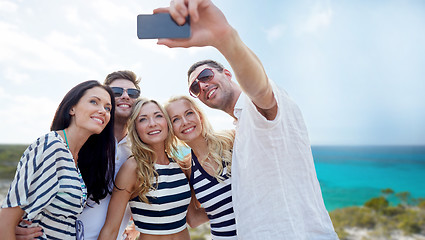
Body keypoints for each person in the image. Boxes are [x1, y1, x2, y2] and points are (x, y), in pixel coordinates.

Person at [155, 0, 339, 239]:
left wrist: (225, 39)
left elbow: (260, 90)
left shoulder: (256, 108)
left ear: (228, 74)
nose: (203, 85)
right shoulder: (239, 130)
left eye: (207, 75)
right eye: (195, 88)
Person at [13, 71, 141, 240]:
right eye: (117, 92)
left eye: (132, 93)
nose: (125, 96)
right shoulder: (79, 139)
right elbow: (22, 194)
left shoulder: (139, 151)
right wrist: (14, 225)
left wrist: (137, 224)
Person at [0, 80, 116, 239]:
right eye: (94, 102)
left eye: (107, 108)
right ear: (72, 108)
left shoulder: (74, 157)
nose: (102, 110)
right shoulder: (52, 146)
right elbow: (5, 220)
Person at [98, 98, 192, 240]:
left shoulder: (180, 165)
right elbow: (110, 229)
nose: (152, 124)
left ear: (167, 122)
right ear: (136, 129)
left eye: (158, 116)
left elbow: (194, 217)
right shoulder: (132, 168)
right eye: (143, 120)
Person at [165, 95, 237, 239]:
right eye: (176, 119)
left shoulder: (232, 140)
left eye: (189, 113)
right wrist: (220, 210)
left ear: (200, 116)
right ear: (170, 129)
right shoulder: (185, 168)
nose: (185, 122)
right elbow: (194, 219)